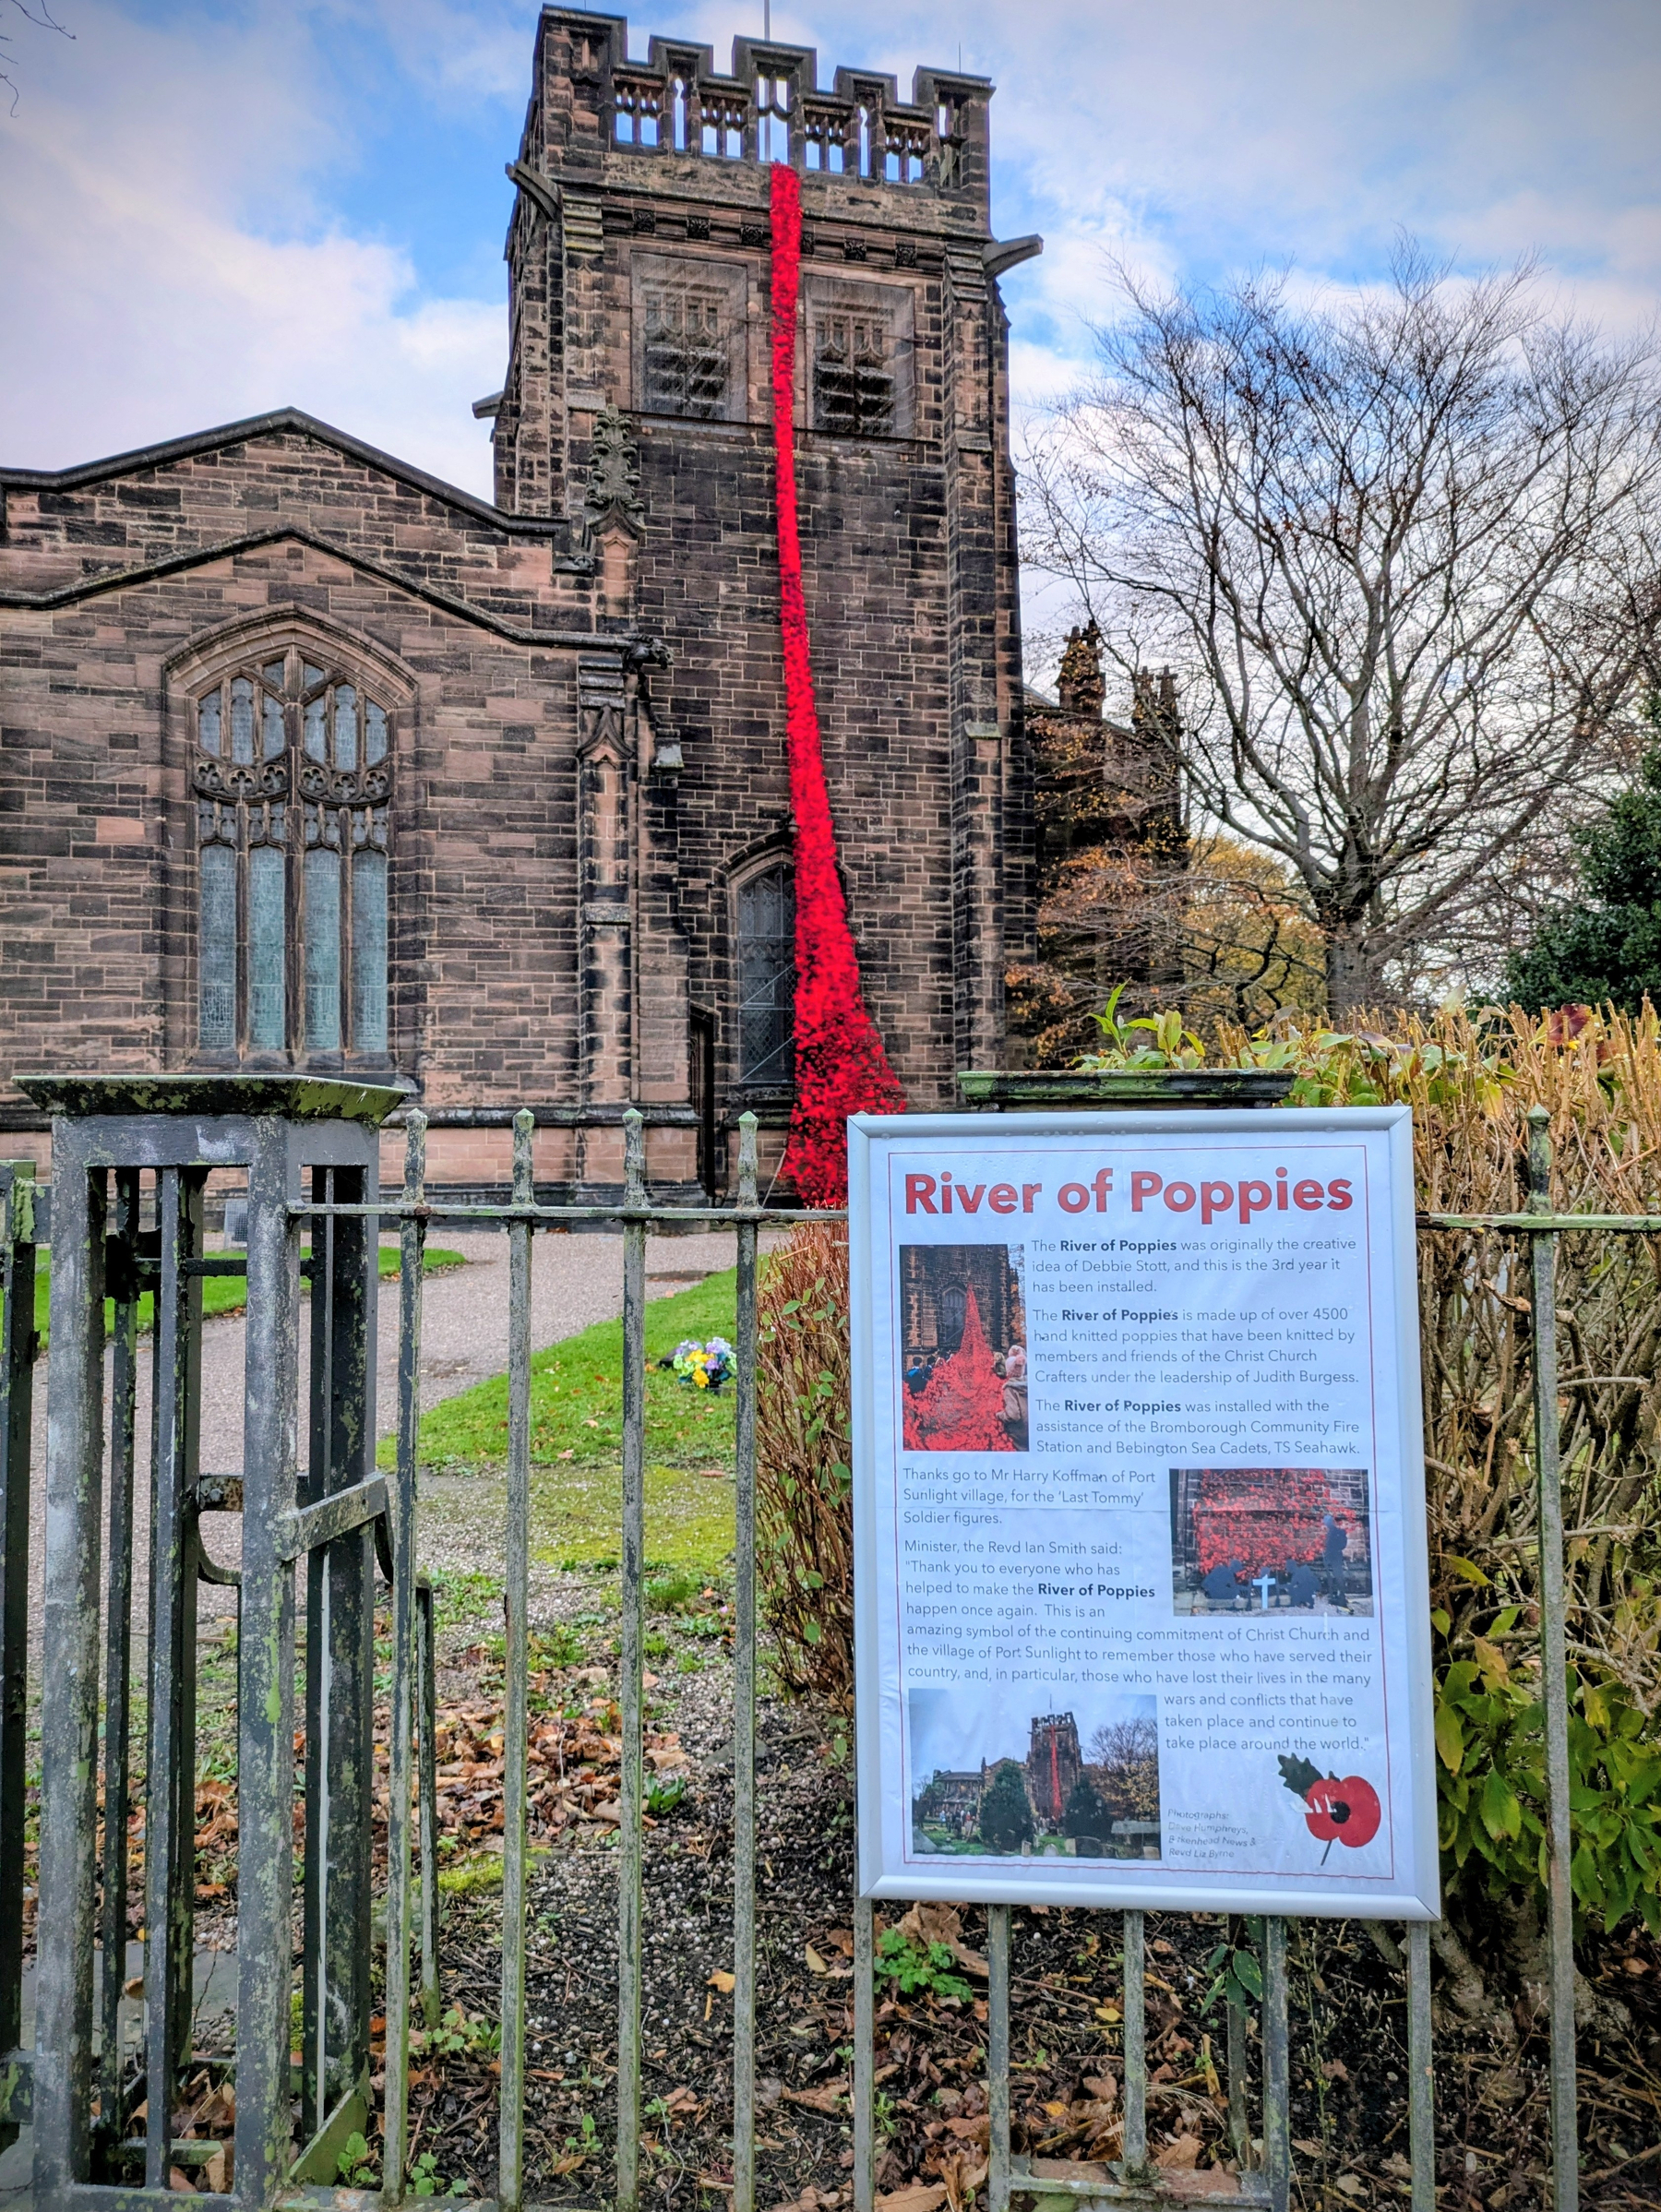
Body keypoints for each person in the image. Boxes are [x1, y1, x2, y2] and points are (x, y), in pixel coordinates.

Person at [1320, 1512, 1352, 1611]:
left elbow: (1341, 1545)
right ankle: (1335, 1595)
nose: (1325, 1524)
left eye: (1327, 1522)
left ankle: (1341, 1597)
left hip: (1335, 1556)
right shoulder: (1330, 1532)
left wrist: (1332, 1551)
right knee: (1333, 1576)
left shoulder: (1337, 1532)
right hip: (1331, 1556)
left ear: (1330, 1522)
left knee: (1338, 1576)